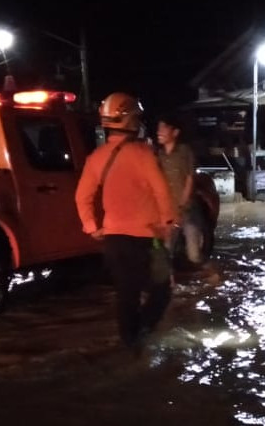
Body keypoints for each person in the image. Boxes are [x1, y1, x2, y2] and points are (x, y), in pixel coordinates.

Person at [75, 93, 177, 354]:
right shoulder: (144, 154)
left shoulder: (95, 158)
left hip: (113, 240)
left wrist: (91, 227)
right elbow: (162, 192)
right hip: (146, 239)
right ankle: (141, 335)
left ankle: (130, 345)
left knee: (126, 295)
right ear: (131, 120)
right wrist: (168, 223)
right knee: (162, 290)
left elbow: (82, 197)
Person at [155, 114, 205, 268]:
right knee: (166, 253)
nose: (159, 132)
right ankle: (170, 286)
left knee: (194, 254)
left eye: (163, 128)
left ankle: (211, 276)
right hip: (168, 214)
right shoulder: (158, 156)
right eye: (158, 128)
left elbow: (190, 179)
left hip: (187, 210)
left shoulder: (185, 152)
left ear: (175, 132)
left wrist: (182, 205)